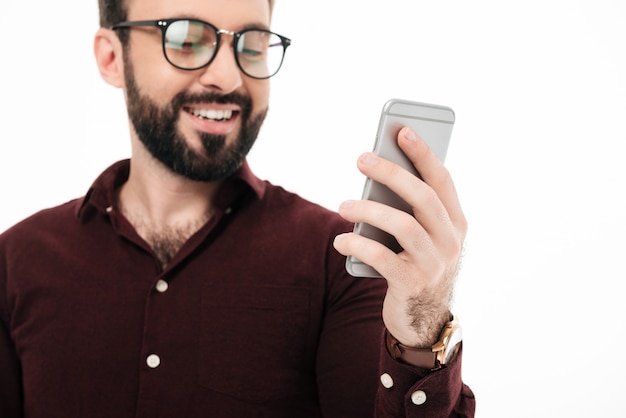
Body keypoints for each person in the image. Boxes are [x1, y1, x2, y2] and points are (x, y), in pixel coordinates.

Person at [0, 0, 475, 416]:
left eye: (250, 45)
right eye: (185, 38)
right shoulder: (16, 261)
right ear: (111, 57)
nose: (228, 78)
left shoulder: (341, 261)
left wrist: (420, 330)